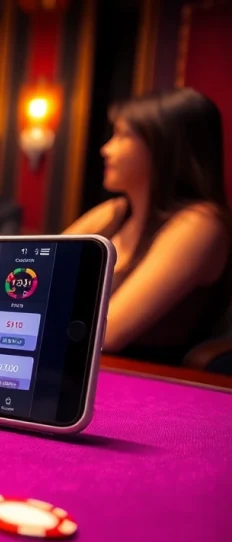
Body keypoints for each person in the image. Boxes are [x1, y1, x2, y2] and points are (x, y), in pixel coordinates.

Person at [64, 88, 231, 363]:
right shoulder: (115, 211)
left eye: (122, 135)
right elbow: (42, 274)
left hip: (147, 383)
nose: (106, 149)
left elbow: (109, 334)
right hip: (83, 367)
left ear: (165, 145)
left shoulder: (200, 223)